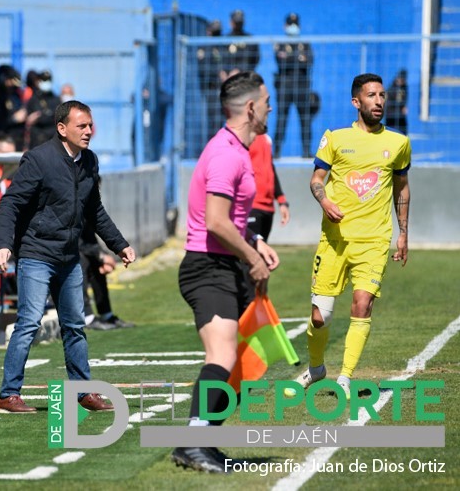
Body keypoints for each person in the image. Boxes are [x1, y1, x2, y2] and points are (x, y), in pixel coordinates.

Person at [0, 100, 136, 413]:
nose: (88, 131)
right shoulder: (39, 159)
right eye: (81, 126)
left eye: (90, 125)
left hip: (69, 258)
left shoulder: (89, 161)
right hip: (36, 254)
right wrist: (3, 244)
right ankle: (8, 395)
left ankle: (84, 392)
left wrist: (119, 244)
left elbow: (94, 210)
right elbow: (11, 204)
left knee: (75, 326)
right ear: (62, 129)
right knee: (28, 323)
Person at [172, 72, 278, 473]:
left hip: (226, 264)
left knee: (246, 360)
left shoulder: (237, 149)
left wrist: (255, 239)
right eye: (266, 101)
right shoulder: (226, 154)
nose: (270, 107)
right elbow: (215, 221)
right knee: (223, 354)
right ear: (250, 108)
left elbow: (232, 217)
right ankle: (193, 442)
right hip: (207, 266)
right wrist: (251, 256)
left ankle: (205, 441)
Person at [285, 73, 411, 401]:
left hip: (373, 241)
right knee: (320, 316)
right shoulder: (335, 139)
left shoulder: (398, 143)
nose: (380, 101)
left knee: (362, 304)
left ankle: (346, 376)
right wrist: (324, 199)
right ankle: (315, 369)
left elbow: (401, 187)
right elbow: (317, 178)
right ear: (357, 102)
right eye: (372, 95)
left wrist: (403, 233)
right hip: (335, 240)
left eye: (382, 95)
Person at [79, 219, 135, 330]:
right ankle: (87, 317)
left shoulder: (85, 203)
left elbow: (90, 236)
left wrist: (103, 256)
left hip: (79, 245)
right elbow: (76, 241)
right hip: (54, 251)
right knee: (80, 260)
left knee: (97, 264)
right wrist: (101, 256)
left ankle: (106, 314)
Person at [273, 13, 314, 158]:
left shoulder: (305, 44)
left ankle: (306, 150)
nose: (293, 27)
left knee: (305, 118)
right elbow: (281, 62)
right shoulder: (280, 44)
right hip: (285, 85)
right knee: (281, 118)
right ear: (285, 26)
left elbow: (309, 61)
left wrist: (290, 57)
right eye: (290, 24)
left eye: (295, 24)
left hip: (302, 85)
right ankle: (276, 151)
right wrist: (298, 58)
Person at [247, 134, 290, 240]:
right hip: (252, 205)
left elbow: (271, 169)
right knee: (253, 250)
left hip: (268, 208)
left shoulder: (266, 138)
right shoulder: (245, 137)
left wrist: (281, 201)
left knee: (262, 250)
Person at [197, 19, 225, 135]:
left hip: (224, 88)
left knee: (222, 120)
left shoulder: (224, 46)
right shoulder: (204, 48)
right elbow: (204, 68)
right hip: (211, 88)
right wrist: (218, 73)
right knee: (214, 120)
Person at [221, 10, 260, 82]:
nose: (238, 26)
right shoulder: (225, 40)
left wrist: (239, 70)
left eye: (240, 23)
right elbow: (222, 59)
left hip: (245, 79)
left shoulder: (250, 39)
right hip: (228, 79)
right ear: (231, 23)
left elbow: (254, 60)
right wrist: (224, 72)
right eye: (236, 23)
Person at [385, 69, 408, 134]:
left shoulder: (404, 87)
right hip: (392, 115)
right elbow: (390, 104)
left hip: (399, 115)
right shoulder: (392, 89)